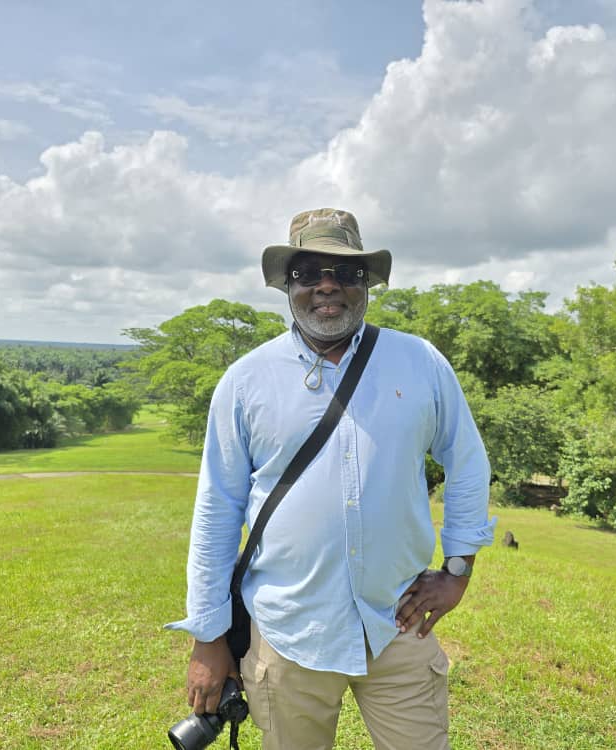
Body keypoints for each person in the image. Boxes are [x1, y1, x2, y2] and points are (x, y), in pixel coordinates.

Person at [166, 208, 495, 749]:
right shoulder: (246, 381)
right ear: (287, 284)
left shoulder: (421, 363)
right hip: (288, 633)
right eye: (307, 273)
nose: (327, 286)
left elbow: (468, 463)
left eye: (346, 272)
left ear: (365, 283)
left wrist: (458, 570)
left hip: (398, 624)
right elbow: (216, 511)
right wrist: (208, 637)